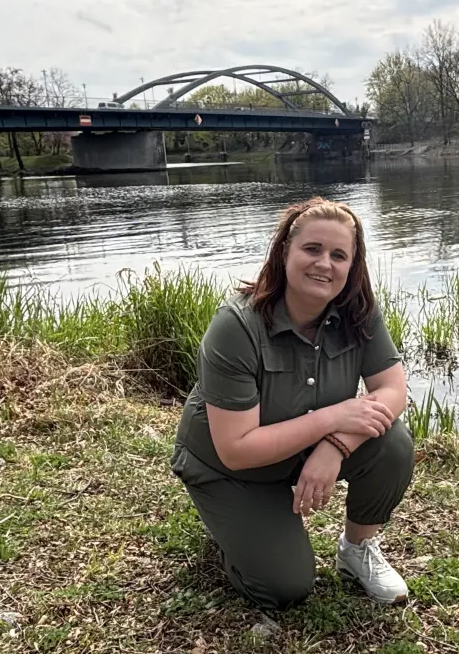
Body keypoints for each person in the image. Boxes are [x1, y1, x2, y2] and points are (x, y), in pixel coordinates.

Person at [170, 196, 415, 610]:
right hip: (230, 471)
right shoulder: (236, 326)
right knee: (284, 587)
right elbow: (236, 449)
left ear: (352, 267)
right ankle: (233, 528)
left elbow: (393, 391)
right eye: (312, 249)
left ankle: (357, 551)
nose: (325, 264)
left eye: (340, 255)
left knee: (392, 441)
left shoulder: (359, 313)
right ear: (285, 251)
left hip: (299, 450)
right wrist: (332, 417)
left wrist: (335, 446)